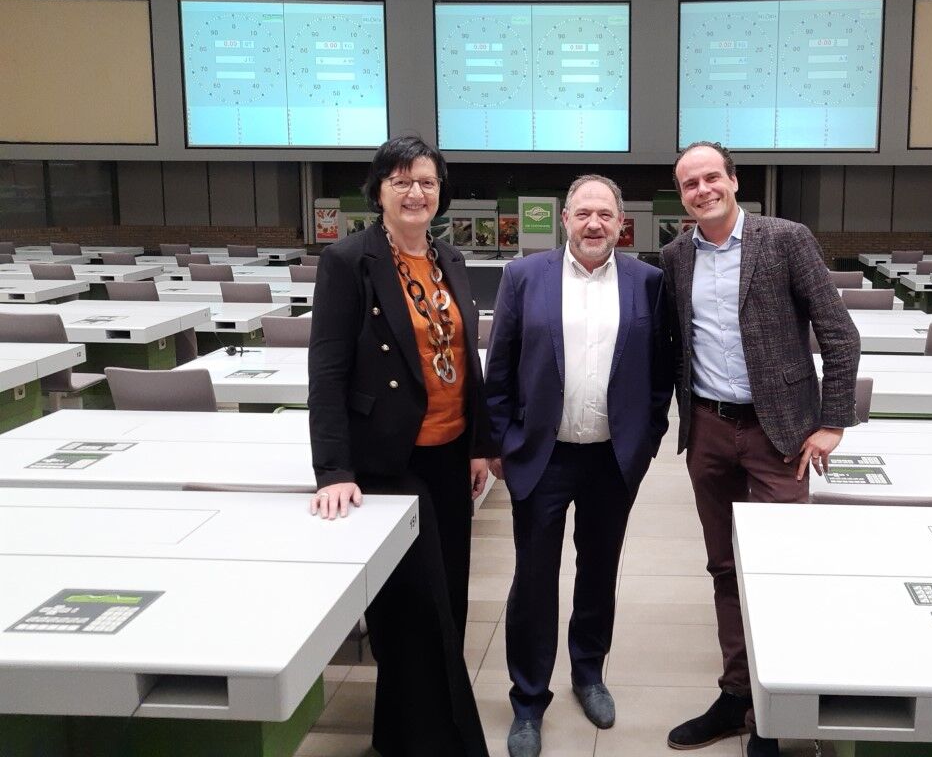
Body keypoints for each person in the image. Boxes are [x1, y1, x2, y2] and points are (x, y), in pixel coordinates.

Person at [659, 142, 860, 757]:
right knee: (725, 567)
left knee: (779, 569)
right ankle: (736, 695)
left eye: (711, 177)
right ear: (682, 195)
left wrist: (832, 422)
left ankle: (775, 712)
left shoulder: (785, 240)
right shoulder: (675, 256)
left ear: (733, 181)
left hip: (781, 434)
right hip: (709, 428)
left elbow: (839, 334)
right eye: (690, 183)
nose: (702, 190)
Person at [308, 134, 493, 757]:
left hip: (449, 454)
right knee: (416, 608)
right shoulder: (348, 261)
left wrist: (477, 444)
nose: (416, 192)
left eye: (427, 181)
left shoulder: (450, 258)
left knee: (451, 601)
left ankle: (396, 735)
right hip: (388, 459)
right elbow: (327, 372)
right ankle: (446, 743)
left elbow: (466, 361)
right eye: (402, 181)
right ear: (379, 190)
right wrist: (334, 469)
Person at [485, 174, 673, 757]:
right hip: (542, 455)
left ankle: (588, 673)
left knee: (599, 571)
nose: (594, 224)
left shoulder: (648, 282)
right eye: (583, 213)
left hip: (612, 458)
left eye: (605, 215)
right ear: (565, 218)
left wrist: (647, 438)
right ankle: (528, 700)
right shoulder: (523, 276)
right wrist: (500, 441)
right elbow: (500, 365)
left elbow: (661, 369)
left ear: (622, 224)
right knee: (534, 579)